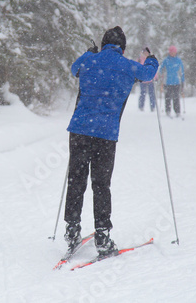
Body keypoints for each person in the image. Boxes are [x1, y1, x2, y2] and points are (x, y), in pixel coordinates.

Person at [64, 26, 159, 256]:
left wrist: (89, 53)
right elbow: (148, 75)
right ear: (122, 48)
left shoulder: (90, 60)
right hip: (105, 135)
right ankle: (103, 236)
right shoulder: (127, 66)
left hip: (79, 130)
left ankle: (72, 230)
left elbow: (74, 69)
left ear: (103, 43)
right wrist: (152, 60)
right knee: (101, 184)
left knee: (76, 180)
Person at [159, 45, 185, 117]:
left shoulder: (178, 60)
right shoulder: (166, 60)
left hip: (176, 82)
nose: (172, 53)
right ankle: (168, 110)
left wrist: (182, 80)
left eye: (174, 52)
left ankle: (177, 111)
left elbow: (182, 71)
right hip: (167, 82)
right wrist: (161, 74)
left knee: (176, 97)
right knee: (167, 97)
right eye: (171, 52)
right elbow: (161, 69)